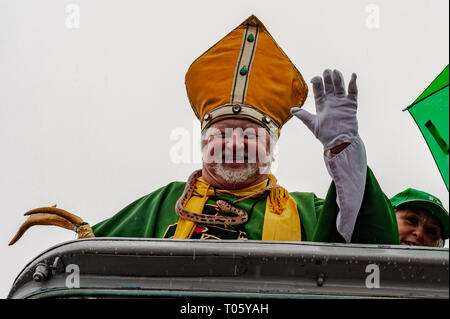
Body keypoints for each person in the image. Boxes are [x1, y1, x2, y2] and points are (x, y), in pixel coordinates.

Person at [9, 15, 399, 245]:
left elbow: (371, 250)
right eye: (221, 134)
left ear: (273, 147)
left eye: (249, 134)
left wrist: (343, 151)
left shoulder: (306, 209)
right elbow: (96, 264)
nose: (233, 144)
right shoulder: (162, 203)